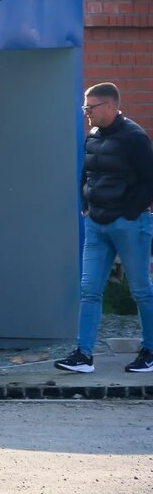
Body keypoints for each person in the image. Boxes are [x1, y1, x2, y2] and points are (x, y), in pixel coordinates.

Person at [56, 82, 153, 374]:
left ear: (109, 107)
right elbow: (86, 172)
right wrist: (85, 207)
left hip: (129, 225)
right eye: (84, 107)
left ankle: (149, 351)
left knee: (141, 290)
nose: (86, 112)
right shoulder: (93, 135)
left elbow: (149, 179)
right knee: (89, 290)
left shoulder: (134, 137)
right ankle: (83, 355)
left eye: (90, 107)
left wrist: (129, 212)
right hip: (96, 225)